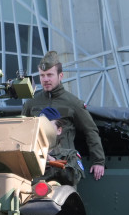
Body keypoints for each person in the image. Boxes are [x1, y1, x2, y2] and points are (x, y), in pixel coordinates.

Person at [22, 51, 106, 182]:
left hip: (65, 165)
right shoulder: (31, 104)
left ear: (60, 76)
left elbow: (90, 130)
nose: (45, 79)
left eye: (50, 75)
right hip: (37, 164)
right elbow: (22, 133)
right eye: (42, 75)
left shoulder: (73, 103)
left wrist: (99, 161)